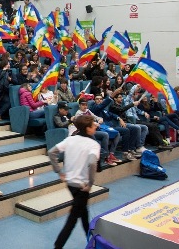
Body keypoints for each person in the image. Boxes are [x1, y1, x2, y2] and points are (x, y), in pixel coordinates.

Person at [48, 115, 100, 249]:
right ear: (87, 129)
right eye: (93, 125)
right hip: (82, 186)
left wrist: (59, 171)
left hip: (70, 183)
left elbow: (52, 152)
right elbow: (92, 163)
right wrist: (90, 184)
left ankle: (92, 239)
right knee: (72, 220)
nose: (96, 126)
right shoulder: (93, 145)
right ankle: (58, 245)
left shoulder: (70, 139)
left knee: (84, 212)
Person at [74, 99, 120, 166]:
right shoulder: (78, 114)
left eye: (86, 105)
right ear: (79, 105)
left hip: (96, 128)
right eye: (83, 105)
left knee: (116, 133)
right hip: (87, 132)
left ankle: (111, 154)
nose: (85, 106)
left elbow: (95, 117)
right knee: (105, 135)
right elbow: (83, 125)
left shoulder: (88, 111)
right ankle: (106, 157)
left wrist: (99, 119)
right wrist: (94, 123)